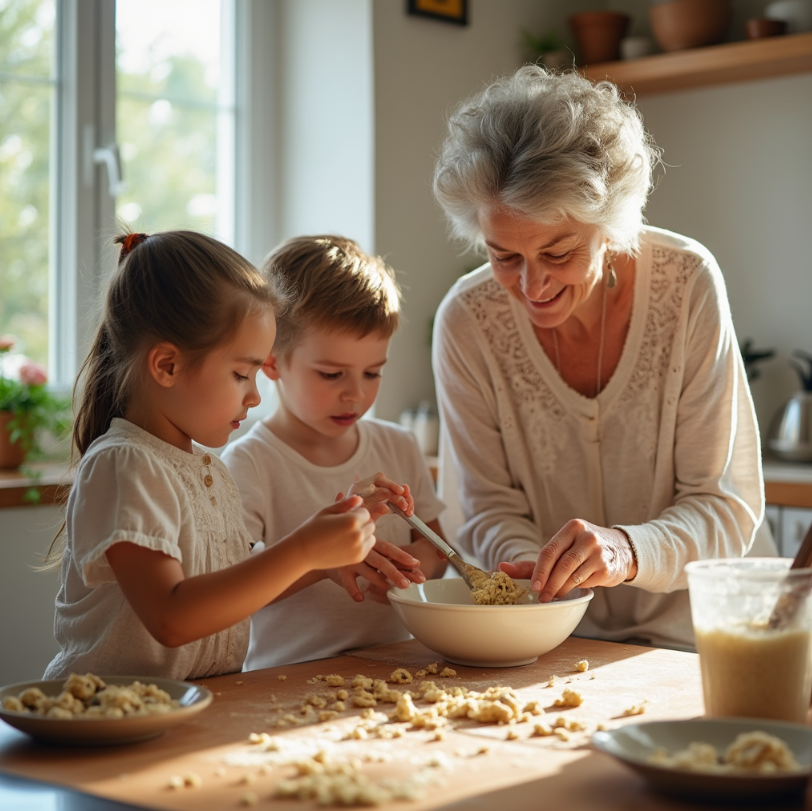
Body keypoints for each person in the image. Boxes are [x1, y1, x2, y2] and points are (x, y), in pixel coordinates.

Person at [431, 66, 767, 650]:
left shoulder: (686, 283)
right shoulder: (467, 319)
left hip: (699, 642)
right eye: (503, 255)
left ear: (611, 227)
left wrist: (625, 550)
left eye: (558, 252)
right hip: (551, 643)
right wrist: (535, 570)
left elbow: (722, 506)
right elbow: (485, 507)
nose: (530, 285)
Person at [43, 230, 381, 681]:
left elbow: (231, 588)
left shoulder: (209, 472)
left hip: (189, 716)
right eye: (242, 374)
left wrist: (322, 562)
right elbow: (172, 616)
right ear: (167, 365)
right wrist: (303, 550)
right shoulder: (125, 465)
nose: (255, 397)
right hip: (101, 725)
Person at [222, 235, 447, 670]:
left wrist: (406, 569)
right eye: (331, 374)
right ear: (271, 362)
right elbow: (229, 594)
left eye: (373, 373)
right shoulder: (248, 465)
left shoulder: (397, 445)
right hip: (285, 680)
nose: (355, 394)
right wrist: (322, 562)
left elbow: (437, 548)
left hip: (397, 671)